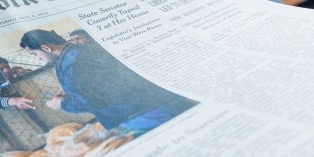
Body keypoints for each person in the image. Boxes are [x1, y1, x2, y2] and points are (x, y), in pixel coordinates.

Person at [20, 29, 196, 131]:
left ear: (46, 48)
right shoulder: (76, 53)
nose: (37, 58)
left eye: (35, 54)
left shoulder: (73, 63)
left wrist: (61, 104)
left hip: (143, 114)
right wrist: (70, 91)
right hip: (149, 106)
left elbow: (92, 100)